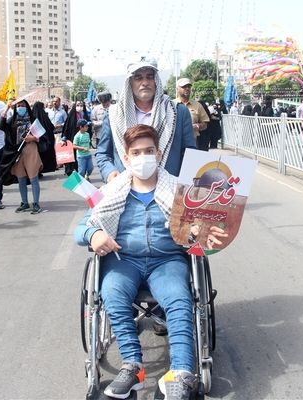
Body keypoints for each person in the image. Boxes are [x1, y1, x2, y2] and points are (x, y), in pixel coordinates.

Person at [75, 124, 227, 400]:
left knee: (180, 300)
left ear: (158, 154)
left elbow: (198, 227)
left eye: (148, 151)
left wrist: (197, 229)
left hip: (166, 261)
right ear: (126, 157)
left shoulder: (181, 191)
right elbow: (82, 228)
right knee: (111, 294)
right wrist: (94, 233)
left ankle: (181, 373)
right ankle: (133, 366)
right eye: (136, 152)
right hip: (124, 260)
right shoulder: (109, 192)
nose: (143, 157)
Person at [96, 60, 196, 183]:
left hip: (169, 191)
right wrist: (109, 173)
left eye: (150, 77)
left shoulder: (177, 112)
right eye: (138, 78)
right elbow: (103, 154)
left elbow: (190, 155)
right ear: (130, 83)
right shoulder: (113, 114)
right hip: (126, 192)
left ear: (156, 81)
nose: (145, 83)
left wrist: (183, 188)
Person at [3, 99, 44, 214]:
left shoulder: (33, 120)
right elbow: (2, 125)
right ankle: (24, 202)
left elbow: (41, 136)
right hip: (17, 151)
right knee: (21, 178)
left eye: (23, 105)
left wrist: (33, 138)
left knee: (33, 177)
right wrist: (6, 109)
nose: (21, 107)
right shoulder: (13, 120)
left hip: (31, 149)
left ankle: (36, 203)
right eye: (19, 106)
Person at [174, 78, 210, 150]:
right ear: (177, 89)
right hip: (175, 142)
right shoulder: (171, 105)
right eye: (184, 87)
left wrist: (197, 126)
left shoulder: (197, 105)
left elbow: (205, 124)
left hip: (192, 142)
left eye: (189, 86)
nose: (187, 88)